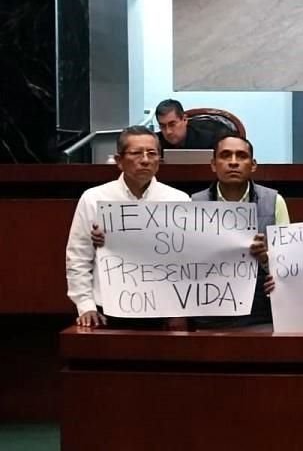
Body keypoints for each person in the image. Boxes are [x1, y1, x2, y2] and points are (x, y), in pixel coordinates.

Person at [65, 126, 190, 328]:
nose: (145, 160)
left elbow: (186, 261)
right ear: (119, 160)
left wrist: (179, 310)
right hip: (106, 309)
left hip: (163, 308)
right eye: (136, 153)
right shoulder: (94, 198)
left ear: (160, 160)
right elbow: (78, 257)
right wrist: (85, 305)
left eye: (152, 153)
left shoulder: (179, 200)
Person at [190, 134, 290, 328]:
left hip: (261, 312)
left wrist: (265, 257)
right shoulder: (193, 204)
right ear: (213, 164)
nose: (233, 162)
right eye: (225, 155)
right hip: (208, 311)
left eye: (241, 156)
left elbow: (287, 266)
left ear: (253, 165)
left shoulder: (274, 202)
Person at [155, 98, 231, 151]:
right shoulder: (155, 143)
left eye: (172, 124)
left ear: (185, 119)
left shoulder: (208, 141)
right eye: (162, 126)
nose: (168, 132)